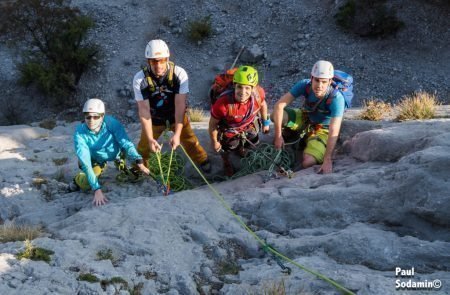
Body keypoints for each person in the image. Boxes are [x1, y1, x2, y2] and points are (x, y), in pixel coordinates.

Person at [132, 39, 210, 171]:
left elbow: (180, 105)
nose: (158, 66)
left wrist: (178, 134)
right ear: (148, 61)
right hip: (154, 119)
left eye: (162, 60)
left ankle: (202, 159)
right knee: (144, 146)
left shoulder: (179, 74)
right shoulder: (140, 79)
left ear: (167, 58)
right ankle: (140, 166)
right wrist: (151, 139)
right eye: (154, 61)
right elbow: (144, 111)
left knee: (189, 140)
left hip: (175, 116)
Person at [71, 98, 150, 206]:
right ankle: (77, 180)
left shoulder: (112, 123)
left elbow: (125, 143)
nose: (91, 120)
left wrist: (138, 159)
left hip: (117, 154)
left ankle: (120, 164)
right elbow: (85, 162)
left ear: (102, 116)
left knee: (134, 176)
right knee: (86, 184)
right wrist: (96, 189)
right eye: (88, 116)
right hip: (95, 159)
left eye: (96, 116)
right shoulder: (79, 133)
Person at [272, 60, 345, 174]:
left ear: (330, 81)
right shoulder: (304, 85)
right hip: (306, 118)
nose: (319, 86)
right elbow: (279, 105)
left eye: (324, 82)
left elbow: (334, 129)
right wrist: (278, 136)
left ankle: (311, 141)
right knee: (275, 116)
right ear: (311, 78)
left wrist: (327, 159)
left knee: (307, 162)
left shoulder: (337, 99)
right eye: (317, 80)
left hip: (322, 129)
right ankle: (293, 134)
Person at [209, 65, 269, 176]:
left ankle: (241, 150)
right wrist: (215, 142)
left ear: (253, 88)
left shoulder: (258, 94)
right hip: (230, 130)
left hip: (248, 126)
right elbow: (212, 125)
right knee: (230, 146)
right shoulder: (223, 104)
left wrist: (266, 123)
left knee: (253, 140)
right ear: (234, 86)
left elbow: (263, 105)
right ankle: (226, 162)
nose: (243, 92)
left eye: (247, 88)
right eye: (239, 87)